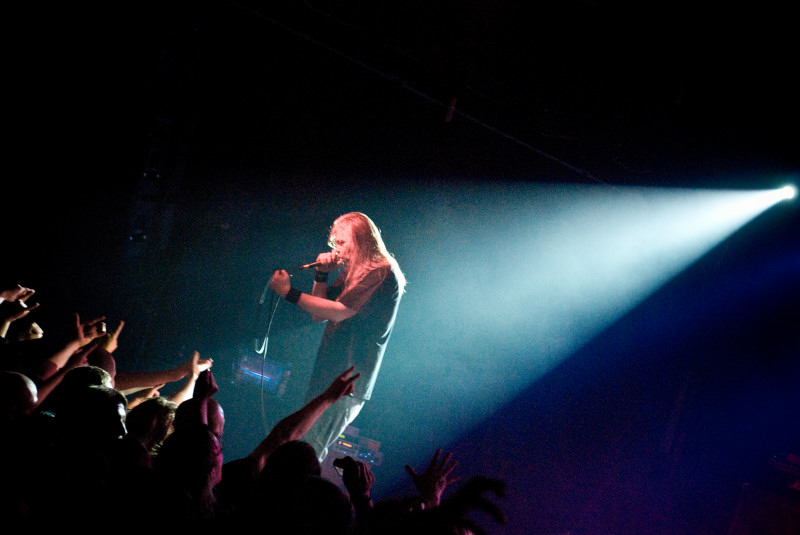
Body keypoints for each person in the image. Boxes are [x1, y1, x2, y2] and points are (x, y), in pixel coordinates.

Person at [269, 212, 406, 461]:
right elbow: (318, 314)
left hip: (347, 381)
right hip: (330, 374)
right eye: (335, 244)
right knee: (299, 443)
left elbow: (341, 313)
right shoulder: (353, 273)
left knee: (309, 448)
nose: (337, 251)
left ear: (362, 241)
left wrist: (288, 292)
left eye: (342, 243)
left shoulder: (380, 272)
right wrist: (321, 274)